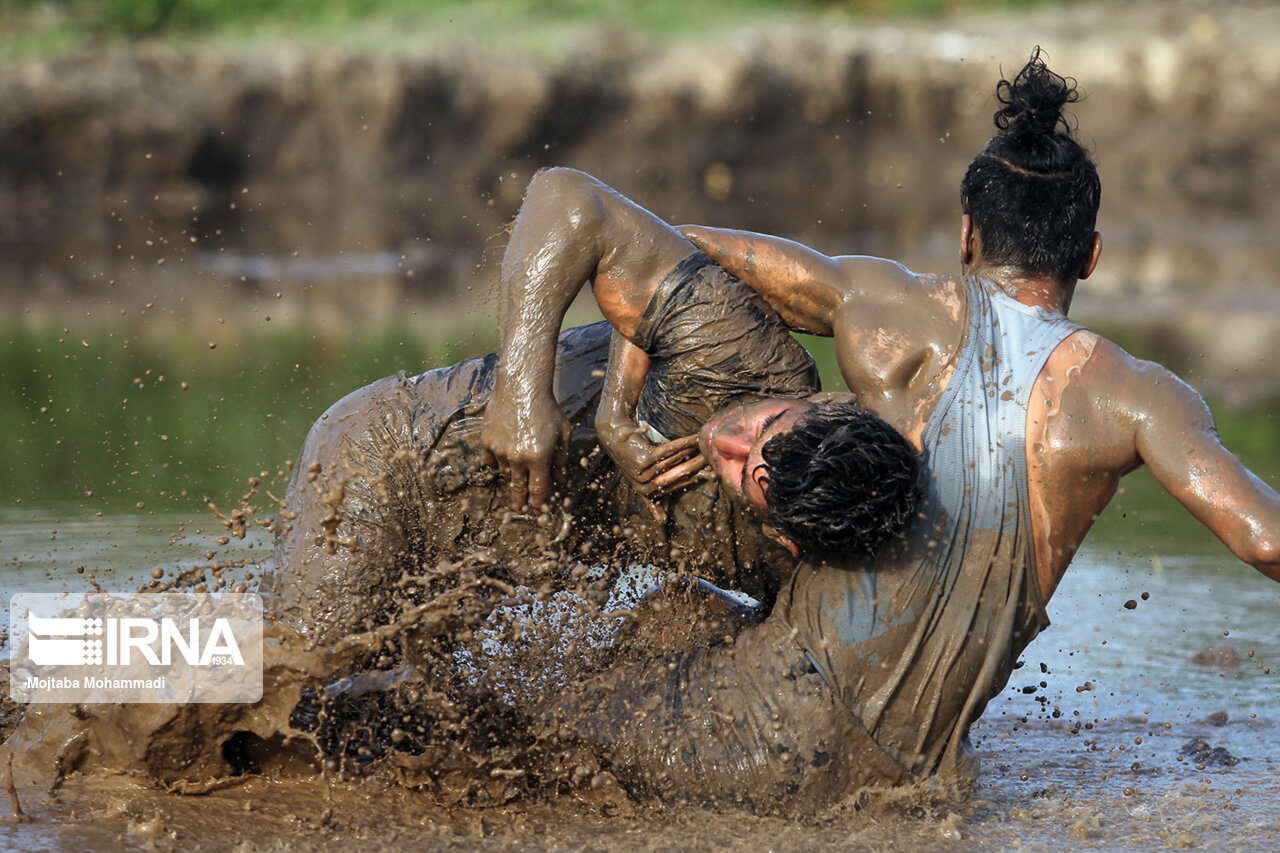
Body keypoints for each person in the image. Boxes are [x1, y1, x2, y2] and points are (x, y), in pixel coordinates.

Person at [482, 50, 1280, 809]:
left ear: (968, 236)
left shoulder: (888, 307)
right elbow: (1266, 541)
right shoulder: (1142, 399)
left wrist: (619, 411)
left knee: (632, 644)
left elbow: (666, 250)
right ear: (1092, 257)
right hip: (911, 778)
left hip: (752, 733)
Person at [263, 178, 918, 647]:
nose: (728, 442)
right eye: (760, 426)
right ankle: (159, 665)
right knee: (289, 673)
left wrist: (705, 621)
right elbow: (570, 202)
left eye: (746, 471)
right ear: (817, 405)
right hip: (390, 458)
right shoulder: (743, 357)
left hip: (475, 573)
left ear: (785, 535)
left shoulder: (812, 549)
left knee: (365, 733)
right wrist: (523, 393)